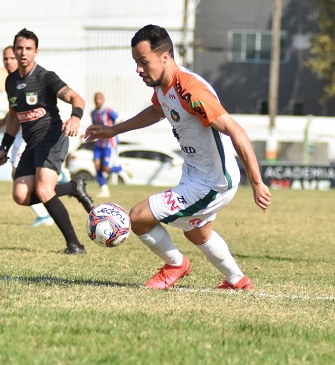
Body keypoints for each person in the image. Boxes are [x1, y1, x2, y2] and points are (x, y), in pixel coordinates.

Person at [84, 24, 272, 289]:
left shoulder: (191, 91)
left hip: (212, 182)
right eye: (136, 62)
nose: (138, 69)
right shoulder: (163, 86)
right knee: (198, 233)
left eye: (143, 62)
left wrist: (257, 182)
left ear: (165, 56)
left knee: (138, 217)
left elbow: (236, 130)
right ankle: (238, 280)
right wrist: (114, 130)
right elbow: (156, 111)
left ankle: (175, 264)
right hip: (195, 173)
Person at [0, 28, 94, 255]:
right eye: (19, 48)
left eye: (28, 48)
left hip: (52, 138)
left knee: (43, 189)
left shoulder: (46, 77)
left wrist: (75, 117)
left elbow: (76, 98)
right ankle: (73, 187)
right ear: (14, 50)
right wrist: (4, 148)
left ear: (36, 52)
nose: (23, 53)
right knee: (20, 195)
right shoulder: (11, 82)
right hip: (32, 144)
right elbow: (13, 117)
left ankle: (75, 245)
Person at [0, 46, 54, 227]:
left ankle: (45, 212)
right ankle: (46, 207)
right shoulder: (11, 82)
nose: (8, 62)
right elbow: (13, 113)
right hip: (18, 134)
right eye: (5, 59)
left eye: (11, 58)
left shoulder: (29, 79)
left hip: (28, 134)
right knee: (17, 174)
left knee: (18, 174)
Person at [90, 91, 122, 197]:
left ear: (103, 100)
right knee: (96, 166)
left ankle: (123, 168)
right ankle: (104, 190)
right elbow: (94, 126)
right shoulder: (93, 113)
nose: (98, 101)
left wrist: (113, 130)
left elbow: (120, 120)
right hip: (99, 144)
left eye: (100, 99)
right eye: (96, 99)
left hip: (110, 144)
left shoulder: (108, 110)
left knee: (106, 169)